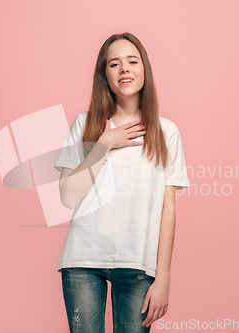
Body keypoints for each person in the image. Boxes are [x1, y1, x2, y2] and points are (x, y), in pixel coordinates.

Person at [53, 32, 190, 333]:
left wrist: (163, 278)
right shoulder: (84, 124)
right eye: (114, 64)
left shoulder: (167, 132)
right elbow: (67, 196)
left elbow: (168, 207)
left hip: (138, 264)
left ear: (144, 70)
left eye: (132, 61)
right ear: (105, 75)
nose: (124, 69)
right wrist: (105, 142)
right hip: (82, 261)